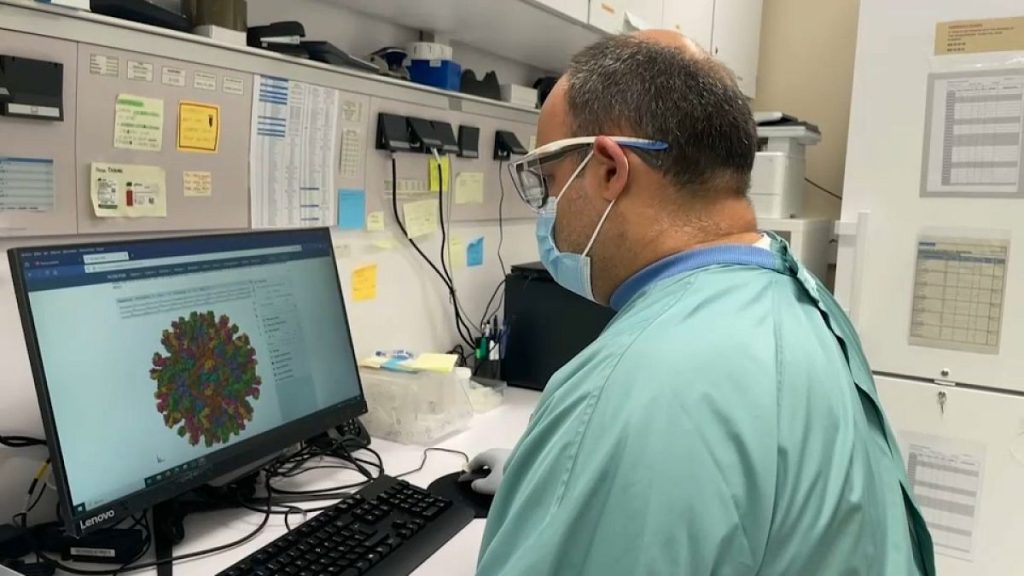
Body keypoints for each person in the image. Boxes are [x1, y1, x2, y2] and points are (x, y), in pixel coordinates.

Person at [469, 31, 936, 576]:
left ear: (610, 170)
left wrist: (585, 456)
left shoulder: (634, 388)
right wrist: (559, 478)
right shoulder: (799, 295)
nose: (548, 208)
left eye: (549, 180)